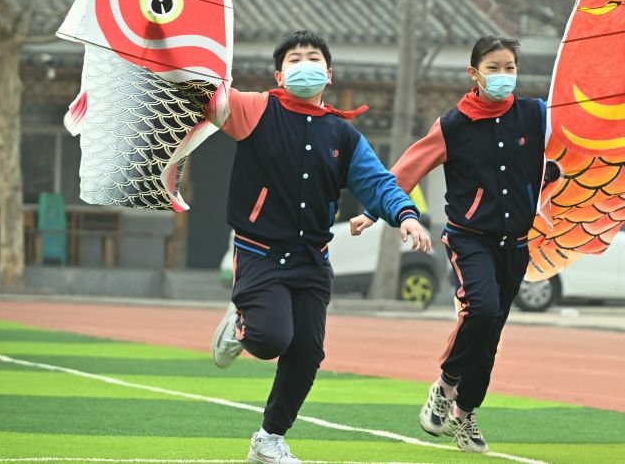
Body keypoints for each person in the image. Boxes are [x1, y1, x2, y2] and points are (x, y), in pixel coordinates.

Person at [208, 30, 432, 464]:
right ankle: (241, 323)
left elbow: (378, 182)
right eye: (295, 59)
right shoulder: (256, 109)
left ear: (328, 74)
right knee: (271, 338)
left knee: (307, 353)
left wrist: (405, 215)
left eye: (314, 58)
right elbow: (210, 100)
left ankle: (268, 440)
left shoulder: (342, 135)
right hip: (259, 252)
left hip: (313, 259)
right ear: (279, 73)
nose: (305, 64)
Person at [350, 35, 545, 454]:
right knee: (482, 309)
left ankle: (464, 414)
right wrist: (372, 210)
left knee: (490, 335)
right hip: (468, 237)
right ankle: (445, 385)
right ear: (474, 74)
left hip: (516, 243)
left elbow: (582, 130)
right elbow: (408, 166)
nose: (503, 76)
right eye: (493, 68)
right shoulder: (453, 124)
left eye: (509, 67)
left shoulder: (534, 115)